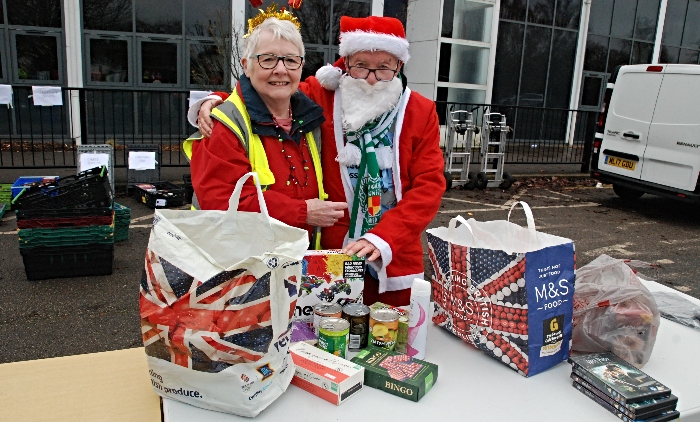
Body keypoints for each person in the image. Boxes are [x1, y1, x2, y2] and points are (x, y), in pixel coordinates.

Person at [191, 16, 445, 307]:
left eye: (384, 67)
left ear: (399, 65)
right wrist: (215, 100)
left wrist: (386, 237)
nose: (372, 78)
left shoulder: (421, 111)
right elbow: (269, 91)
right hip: (329, 256)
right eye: (361, 65)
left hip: (394, 251)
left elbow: (430, 185)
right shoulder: (321, 95)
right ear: (345, 63)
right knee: (326, 336)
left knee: (392, 337)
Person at [184, 8, 348, 249]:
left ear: (301, 67)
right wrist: (302, 212)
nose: (281, 70)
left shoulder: (310, 117)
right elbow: (221, 203)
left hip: (296, 260)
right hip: (240, 268)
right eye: (268, 59)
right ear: (246, 66)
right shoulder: (222, 126)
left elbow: (362, 70)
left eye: (291, 60)